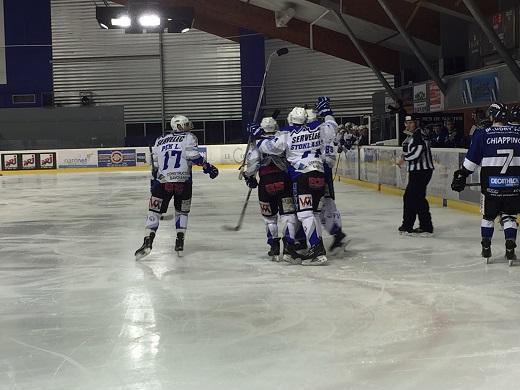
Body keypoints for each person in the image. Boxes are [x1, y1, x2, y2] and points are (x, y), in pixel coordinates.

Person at [248, 97, 336, 265]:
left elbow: (270, 148)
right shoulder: (316, 127)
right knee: (314, 213)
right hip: (319, 175)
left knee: (304, 214)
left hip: (301, 177)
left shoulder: (287, 133)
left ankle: (315, 249)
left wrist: (257, 135)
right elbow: (331, 130)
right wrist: (328, 113)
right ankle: (317, 247)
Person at [135, 115, 219, 260]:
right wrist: (207, 166)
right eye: (185, 124)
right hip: (183, 181)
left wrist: (153, 181)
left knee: (154, 211)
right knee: (182, 212)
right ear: (178, 126)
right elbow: (192, 155)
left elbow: (154, 162)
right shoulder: (189, 137)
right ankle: (180, 242)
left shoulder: (160, 139)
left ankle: (147, 242)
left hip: (162, 182)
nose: (188, 126)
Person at [451, 103, 519, 264]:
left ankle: (486, 247)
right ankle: (510, 247)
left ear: (491, 116)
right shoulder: (518, 133)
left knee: (488, 217)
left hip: (491, 187)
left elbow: (470, 163)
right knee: (509, 217)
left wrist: (462, 175)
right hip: (514, 185)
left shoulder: (482, 134)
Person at [243, 116, 298, 262]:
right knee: (288, 216)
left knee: (269, 218)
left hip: (266, 184)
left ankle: (274, 246)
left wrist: (249, 176)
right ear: (276, 126)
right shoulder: (283, 138)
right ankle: (289, 247)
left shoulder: (257, 142)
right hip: (284, 181)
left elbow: (253, 164)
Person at [306, 106, 348, 253]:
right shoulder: (326, 128)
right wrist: (328, 113)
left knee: (313, 209)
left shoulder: (309, 133)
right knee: (328, 204)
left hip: (314, 172)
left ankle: (314, 241)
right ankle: (337, 233)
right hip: (325, 172)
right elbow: (332, 125)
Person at [397, 114, 435, 235]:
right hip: (418, 171)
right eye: (407, 123)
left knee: (413, 198)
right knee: (414, 198)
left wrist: (404, 158)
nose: (408, 125)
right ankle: (413, 225)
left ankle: (421, 226)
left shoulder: (419, 134)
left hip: (421, 172)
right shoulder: (416, 134)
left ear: (416, 123)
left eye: (411, 123)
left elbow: (418, 151)